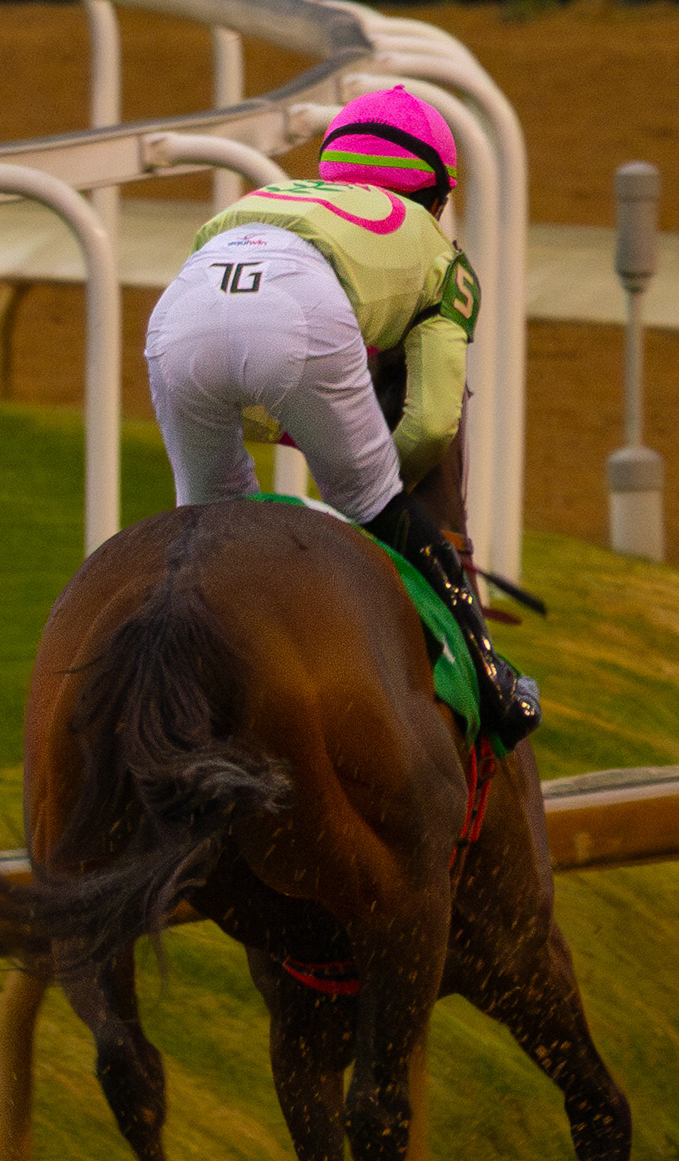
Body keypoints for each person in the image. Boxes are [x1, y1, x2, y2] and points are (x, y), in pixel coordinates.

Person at [140, 85, 540, 745]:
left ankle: (190, 681)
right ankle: (492, 680)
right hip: (301, 313)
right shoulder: (440, 253)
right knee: (376, 498)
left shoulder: (262, 198)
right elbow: (433, 425)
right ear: (438, 199)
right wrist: (368, 482)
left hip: (179, 312)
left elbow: (241, 369)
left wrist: (287, 426)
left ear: (328, 171)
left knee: (210, 523)